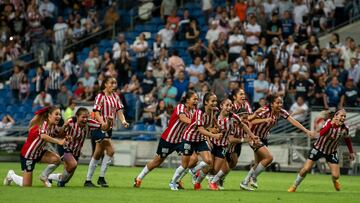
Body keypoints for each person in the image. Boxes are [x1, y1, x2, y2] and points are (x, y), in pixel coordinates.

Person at [240, 94, 315, 191]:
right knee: (269, 158)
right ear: (271, 104)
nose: (280, 105)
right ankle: (253, 177)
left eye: (281, 103)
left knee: (258, 162)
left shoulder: (281, 112)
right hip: (254, 137)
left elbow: (293, 121)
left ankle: (245, 182)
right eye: (277, 103)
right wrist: (264, 120)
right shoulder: (264, 111)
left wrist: (306, 131)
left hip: (263, 138)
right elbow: (249, 121)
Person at [133, 91, 199, 188]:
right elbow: (182, 117)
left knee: (193, 159)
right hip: (168, 139)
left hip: (181, 140)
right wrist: (195, 123)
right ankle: (139, 178)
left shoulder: (194, 112)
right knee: (157, 161)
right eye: (194, 99)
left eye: (197, 99)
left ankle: (176, 180)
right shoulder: (181, 107)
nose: (196, 101)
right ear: (187, 100)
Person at [288, 109, 355, 192]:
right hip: (318, 149)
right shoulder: (328, 122)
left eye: (344, 116)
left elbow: (347, 139)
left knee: (336, 175)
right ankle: (294, 186)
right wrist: (331, 124)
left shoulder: (345, 128)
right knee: (306, 169)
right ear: (335, 116)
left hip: (331, 152)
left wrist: (351, 152)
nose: (343, 118)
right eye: (341, 115)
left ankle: (334, 180)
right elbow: (322, 133)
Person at [169, 92, 222, 190]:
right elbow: (200, 129)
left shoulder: (214, 110)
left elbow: (212, 118)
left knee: (209, 161)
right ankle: (172, 182)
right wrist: (214, 135)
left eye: (216, 101)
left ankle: (194, 171)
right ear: (206, 102)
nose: (215, 103)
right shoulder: (199, 112)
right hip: (189, 138)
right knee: (185, 165)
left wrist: (217, 126)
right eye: (212, 101)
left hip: (199, 139)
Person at [47, 108, 112, 187]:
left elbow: (104, 127)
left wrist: (108, 121)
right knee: (73, 164)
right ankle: (57, 180)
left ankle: (51, 177)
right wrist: (64, 126)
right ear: (77, 117)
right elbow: (60, 134)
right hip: (65, 147)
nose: (85, 119)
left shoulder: (89, 123)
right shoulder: (70, 122)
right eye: (83, 117)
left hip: (76, 151)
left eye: (86, 117)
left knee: (67, 176)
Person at [3, 106, 66, 187]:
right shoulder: (44, 123)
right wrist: (58, 141)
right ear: (49, 115)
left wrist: (66, 130)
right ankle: (11, 175)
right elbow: (43, 136)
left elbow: (60, 133)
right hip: (28, 155)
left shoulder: (53, 126)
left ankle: (44, 176)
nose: (59, 116)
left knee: (57, 159)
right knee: (26, 185)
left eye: (59, 114)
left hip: (39, 153)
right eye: (56, 114)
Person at [84, 77, 129, 187]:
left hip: (108, 128)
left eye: (115, 82)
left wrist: (123, 121)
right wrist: (102, 123)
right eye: (111, 83)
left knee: (98, 153)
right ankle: (101, 177)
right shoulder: (100, 96)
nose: (114, 85)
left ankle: (88, 180)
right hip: (98, 126)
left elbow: (119, 111)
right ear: (105, 84)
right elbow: (96, 112)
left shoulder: (115, 96)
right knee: (111, 150)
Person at [208, 99, 256, 190]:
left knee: (231, 165)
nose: (246, 120)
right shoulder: (230, 122)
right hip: (219, 144)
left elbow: (243, 128)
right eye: (244, 118)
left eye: (247, 118)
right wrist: (244, 140)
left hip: (228, 146)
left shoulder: (242, 123)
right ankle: (208, 178)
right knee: (214, 167)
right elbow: (231, 139)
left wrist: (252, 136)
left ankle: (214, 180)